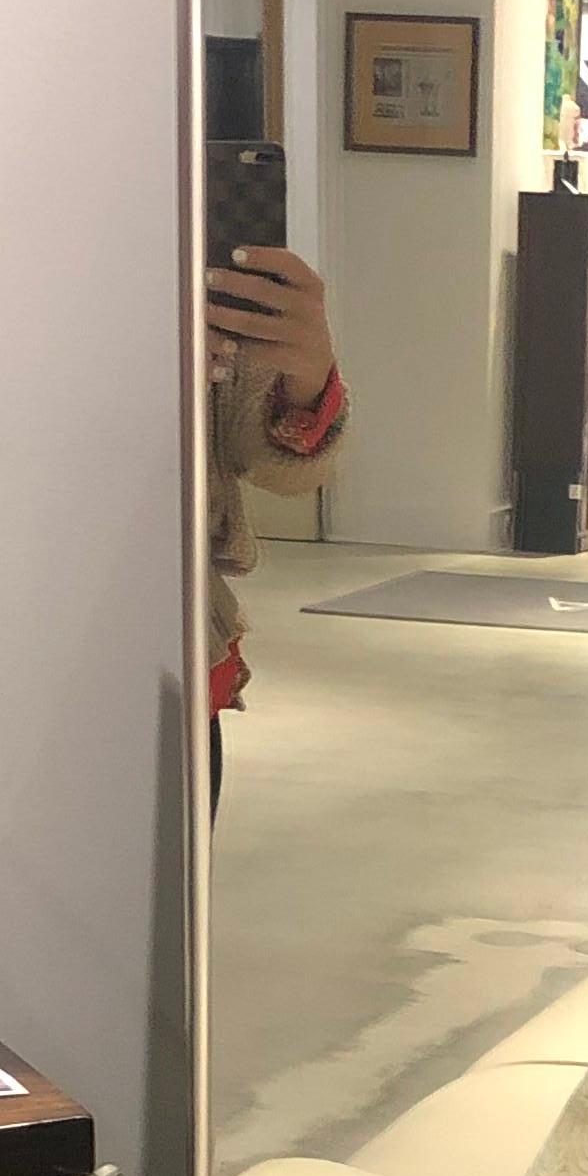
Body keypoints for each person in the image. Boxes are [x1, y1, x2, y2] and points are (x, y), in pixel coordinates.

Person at [205, 242, 346, 811]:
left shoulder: (170, 218)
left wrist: (307, 379)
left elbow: (270, 463)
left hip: (165, 637)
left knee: (156, 894)